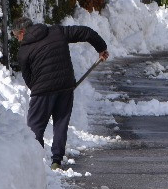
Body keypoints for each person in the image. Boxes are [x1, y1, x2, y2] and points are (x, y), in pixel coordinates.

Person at [13, 16, 109, 169]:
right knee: (60, 123)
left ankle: (35, 163)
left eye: (16, 36)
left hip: (42, 90)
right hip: (65, 86)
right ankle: (56, 160)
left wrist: (37, 89)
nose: (17, 39)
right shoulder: (57, 31)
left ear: (23, 32)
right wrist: (101, 47)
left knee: (35, 126)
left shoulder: (24, 51)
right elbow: (85, 32)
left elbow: (28, 77)